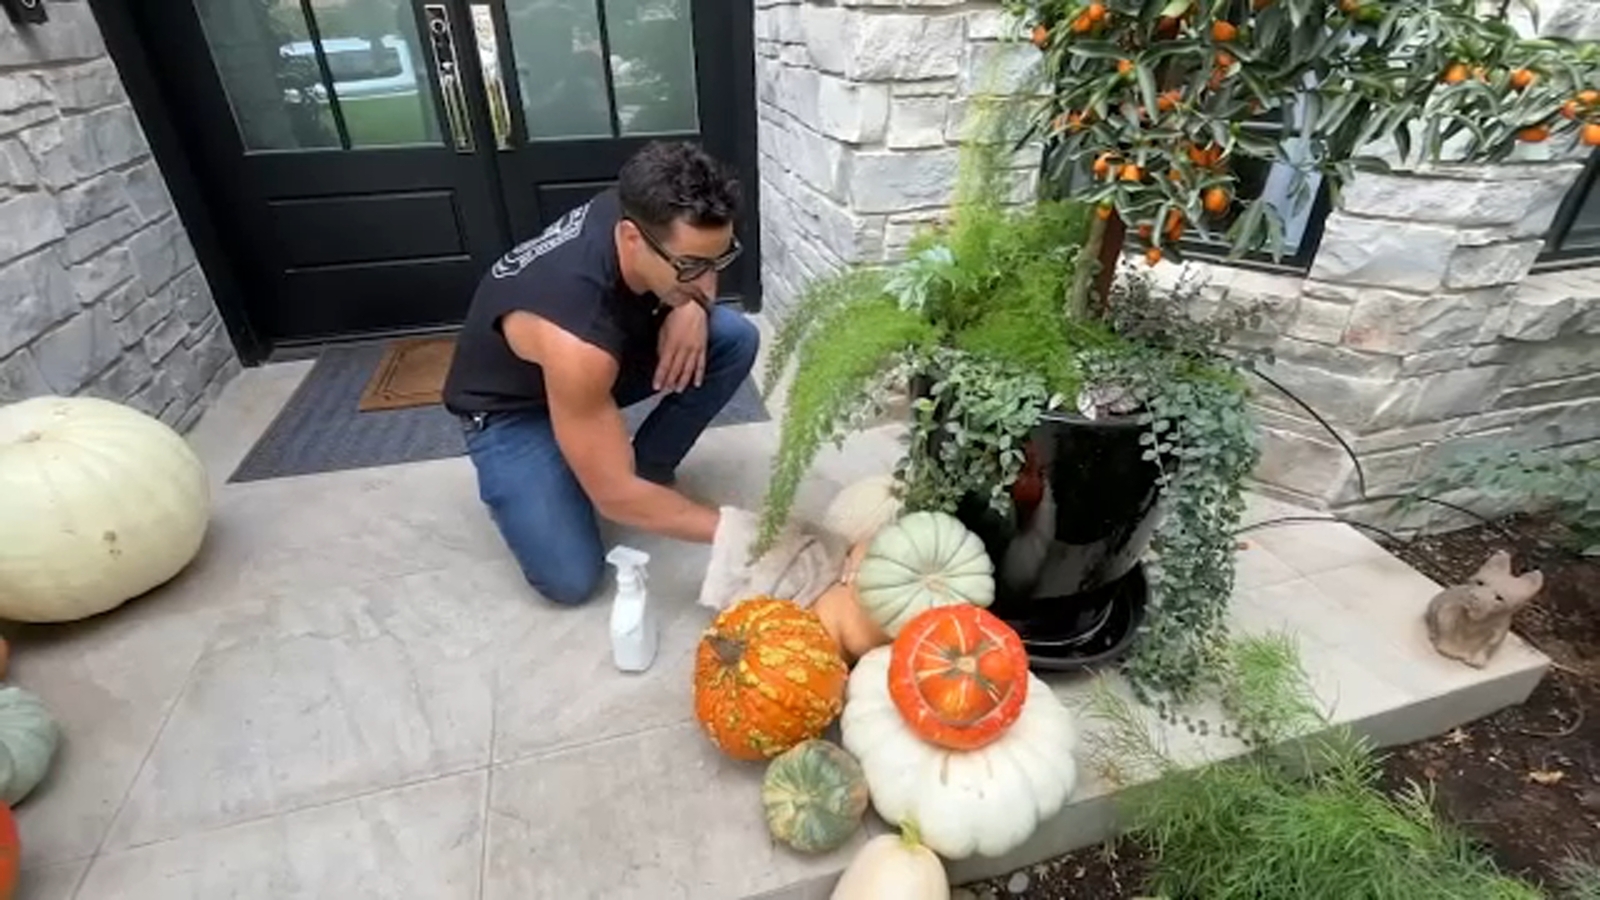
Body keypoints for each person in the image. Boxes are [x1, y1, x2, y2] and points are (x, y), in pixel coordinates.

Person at [442, 141, 757, 606]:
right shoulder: (579, 337)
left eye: (719, 259)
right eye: (691, 267)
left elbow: (696, 270)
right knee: (571, 578)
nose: (708, 280)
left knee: (731, 336)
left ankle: (646, 467)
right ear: (631, 238)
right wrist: (740, 535)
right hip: (512, 410)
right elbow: (612, 498)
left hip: (600, 362)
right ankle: (559, 467)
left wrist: (690, 306)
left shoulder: (643, 202)